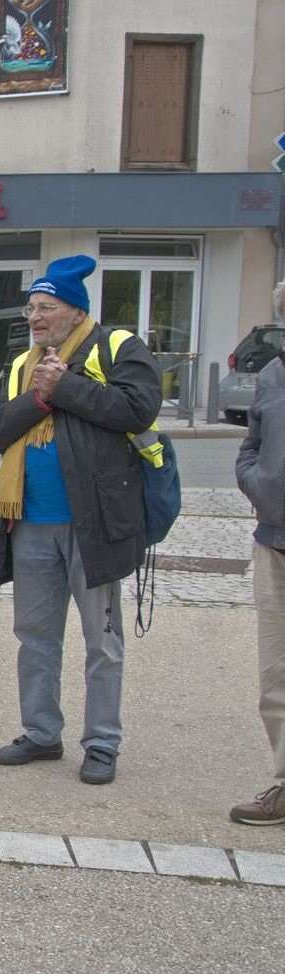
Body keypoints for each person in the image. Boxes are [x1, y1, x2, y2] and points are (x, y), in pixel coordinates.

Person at [0, 257, 163, 785]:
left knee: (101, 640)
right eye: (31, 308)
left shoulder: (117, 348)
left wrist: (67, 388)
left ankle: (102, 743)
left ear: (74, 311)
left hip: (96, 523)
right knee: (35, 635)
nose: (35, 318)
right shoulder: (21, 366)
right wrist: (40, 396)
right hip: (29, 521)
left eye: (45, 308)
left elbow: (139, 409)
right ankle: (40, 733)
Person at [233, 280, 285, 823]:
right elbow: (252, 444)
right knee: (276, 677)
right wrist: (256, 483)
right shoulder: (272, 375)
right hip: (274, 542)